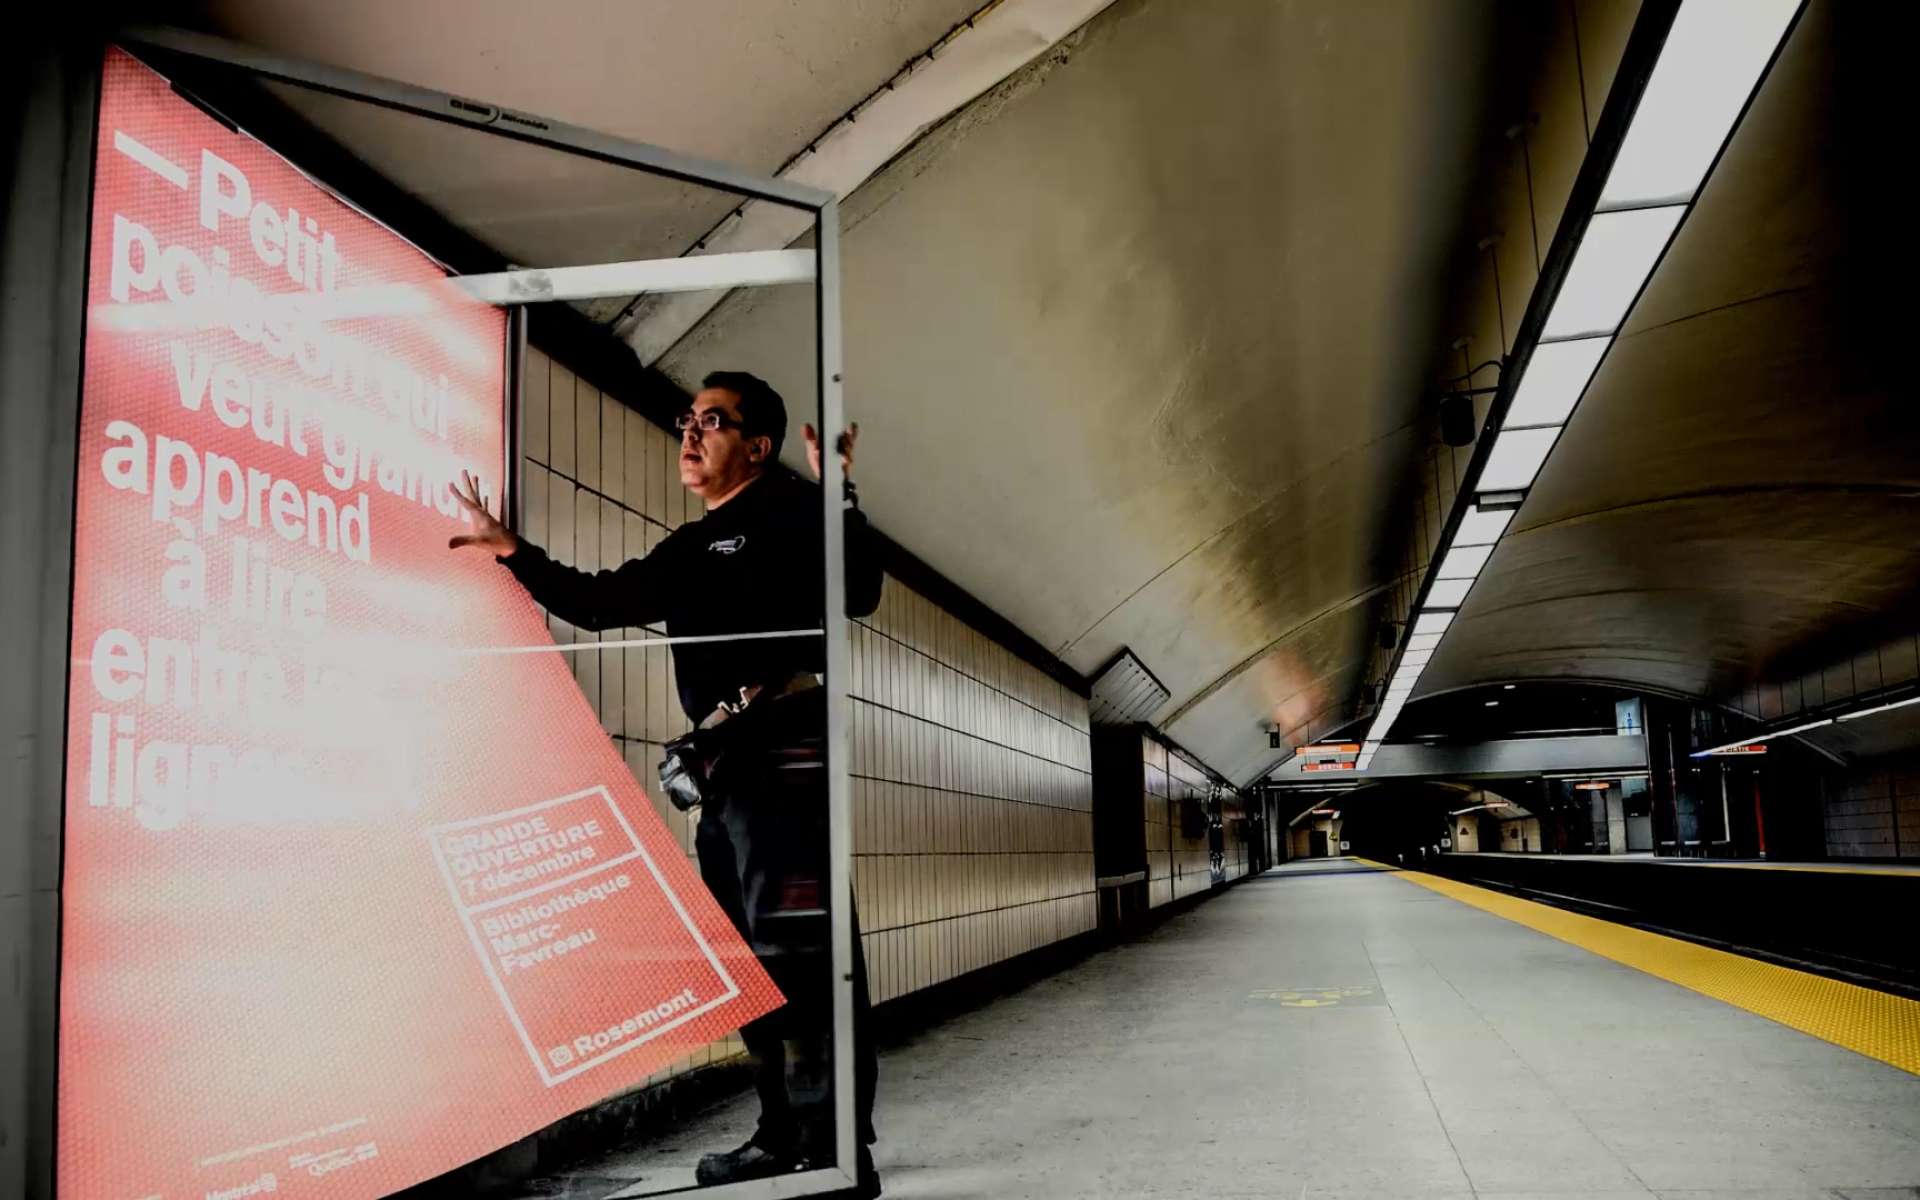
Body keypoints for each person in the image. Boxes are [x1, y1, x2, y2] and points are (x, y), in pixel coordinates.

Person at [450, 370, 882, 1196]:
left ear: (755, 446)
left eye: (711, 422)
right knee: (749, 965)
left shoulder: (791, 514)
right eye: (687, 419)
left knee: (804, 960)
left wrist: (840, 493)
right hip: (727, 779)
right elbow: (599, 601)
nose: (689, 434)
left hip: (785, 766)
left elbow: (857, 590)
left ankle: (836, 1156)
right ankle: (783, 1136)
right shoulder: (690, 549)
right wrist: (510, 551)